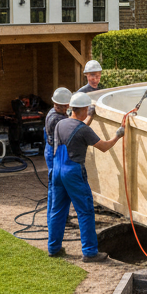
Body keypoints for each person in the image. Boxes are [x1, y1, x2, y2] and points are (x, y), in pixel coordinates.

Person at [47, 91, 124, 261]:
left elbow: (77, 128)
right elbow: (104, 146)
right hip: (73, 172)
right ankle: (89, 252)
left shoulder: (61, 123)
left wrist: (89, 117)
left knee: (57, 210)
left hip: (57, 170)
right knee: (85, 211)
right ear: (82, 109)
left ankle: (53, 248)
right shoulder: (83, 130)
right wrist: (118, 135)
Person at [43, 87, 71, 224]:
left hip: (53, 151)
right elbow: (76, 129)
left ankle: (62, 219)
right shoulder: (56, 118)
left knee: (60, 188)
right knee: (55, 189)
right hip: (54, 154)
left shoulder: (55, 111)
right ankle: (53, 221)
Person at [77, 59, 103, 124]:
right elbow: (72, 113)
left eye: (98, 76)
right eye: (92, 75)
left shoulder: (102, 91)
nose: (95, 79)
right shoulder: (81, 93)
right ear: (86, 75)